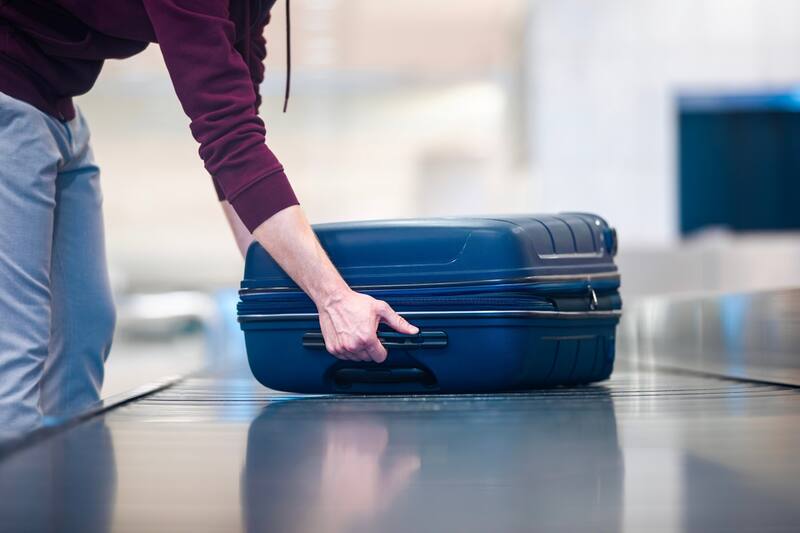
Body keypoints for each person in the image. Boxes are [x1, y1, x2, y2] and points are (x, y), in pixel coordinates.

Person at [0, 0, 417, 432]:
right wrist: (332, 298)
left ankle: (61, 492)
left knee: (80, 339)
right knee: (17, 354)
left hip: (58, 106)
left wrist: (275, 287)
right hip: (9, 95)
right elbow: (227, 134)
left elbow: (239, 126)